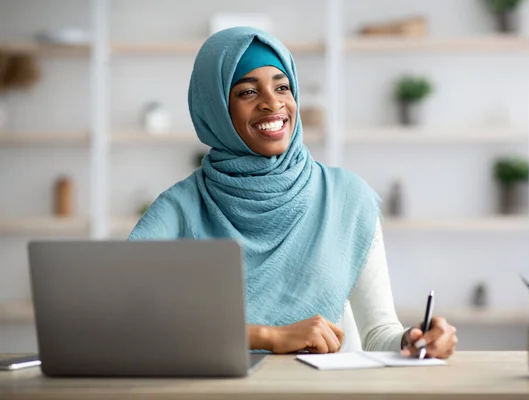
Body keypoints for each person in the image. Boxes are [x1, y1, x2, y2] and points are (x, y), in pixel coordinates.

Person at [129, 26, 457, 358]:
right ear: (215, 108)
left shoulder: (346, 198)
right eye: (247, 92)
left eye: (282, 87)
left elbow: (378, 332)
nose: (273, 103)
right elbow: (125, 316)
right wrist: (266, 336)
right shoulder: (180, 208)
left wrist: (415, 341)